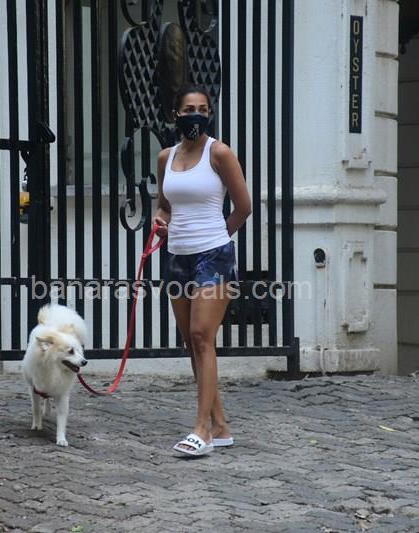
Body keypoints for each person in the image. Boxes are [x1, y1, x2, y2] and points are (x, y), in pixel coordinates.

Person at [154, 85, 252, 456]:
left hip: (213, 256)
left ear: (209, 113)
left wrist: (217, 239)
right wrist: (161, 221)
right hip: (177, 256)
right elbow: (164, 206)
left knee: (201, 335)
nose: (195, 114)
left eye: (202, 108)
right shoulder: (165, 157)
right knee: (192, 343)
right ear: (176, 115)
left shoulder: (219, 153)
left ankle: (202, 431)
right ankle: (221, 426)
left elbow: (243, 207)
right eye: (188, 109)